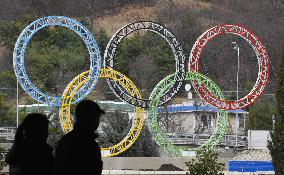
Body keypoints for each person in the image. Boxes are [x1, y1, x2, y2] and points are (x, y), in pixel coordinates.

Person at [55, 100, 104, 175]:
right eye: (97, 117)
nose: (98, 122)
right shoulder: (90, 145)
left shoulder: (65, 140)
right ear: (91, 119)